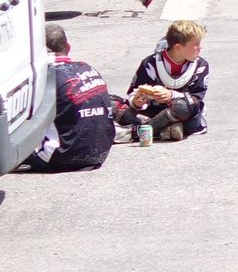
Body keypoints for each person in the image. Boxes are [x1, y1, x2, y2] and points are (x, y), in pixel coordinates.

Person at [19, 24, 114, 172]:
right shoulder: (88, 68)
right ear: (68, 47)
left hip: (62, 156)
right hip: (101, 151)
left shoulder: (45, 76)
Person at [120, 19, 211, 142]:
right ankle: (165, 129)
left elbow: (196, 99)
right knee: (112, 104)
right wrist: (137, 102)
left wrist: (171, 95)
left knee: (183, 106)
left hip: (183, 114)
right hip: (154, 113)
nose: (200, 48)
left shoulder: (201, 65)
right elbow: (132, 95)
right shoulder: (150, 63)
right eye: (196, 44)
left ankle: (138, 132)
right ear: (178, 47)